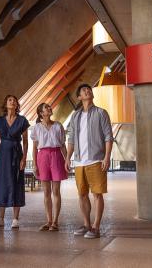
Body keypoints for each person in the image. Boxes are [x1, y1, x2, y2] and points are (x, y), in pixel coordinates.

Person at [65, 84, 113, 239]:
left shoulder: (101, 113)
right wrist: (67, 157)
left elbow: (108, 136)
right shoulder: (75, 116)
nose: (87, 91)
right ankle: (86, 224)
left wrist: (106, 157)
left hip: (96, 160)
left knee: (97, 194)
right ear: (79, 97)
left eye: (88, 89)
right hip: (79, 161)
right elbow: (71, 139)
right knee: (82, 194)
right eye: (83, 90)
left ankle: (96, 227)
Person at [0, 95, 29, 229]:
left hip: (16, 154)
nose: (13, 102)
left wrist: (24, 158)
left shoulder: (22, 120)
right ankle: (0, 219)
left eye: (14, 100)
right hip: (3, 155)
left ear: (17, 105)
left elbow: (25, 141)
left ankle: (15, 219)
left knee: (17, 183)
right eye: (10, 100)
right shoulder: (0, 121)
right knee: (2, 184)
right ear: (6, 104)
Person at [31, 102, 67, 231]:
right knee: (46, 192)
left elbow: (63, 145)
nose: (49, 108)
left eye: (49, 107)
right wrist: (35, 164)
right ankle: (49, 220)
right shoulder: (36, 128)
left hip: (57, 155)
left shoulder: (58, 126)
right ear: (41, 113)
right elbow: (34, 148)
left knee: (56, 191)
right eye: (46, 107)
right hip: (43, 157)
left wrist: (67, 160)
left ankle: (55, 222)